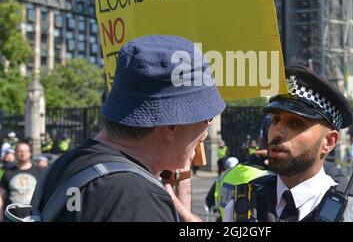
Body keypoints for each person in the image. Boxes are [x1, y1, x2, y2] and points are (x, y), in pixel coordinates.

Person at [25, 35, 225, 222]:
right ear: (171, 125)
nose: (206, 132)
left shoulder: (67, 164)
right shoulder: (138, 200)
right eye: (207, 118)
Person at [224, 65, 353, 222]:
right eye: (275, 120)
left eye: (296, 123)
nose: (276, 132)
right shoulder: (241, 206)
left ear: (329, 141)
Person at [0, 142, 42, 221]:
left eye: (25, 151)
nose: (23, 154)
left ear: (30, 153)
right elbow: (1, 196)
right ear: (15, 153)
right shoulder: (8, 173)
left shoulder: (39, 172)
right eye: (20, 151)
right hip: (11, 217)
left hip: (33, 216)